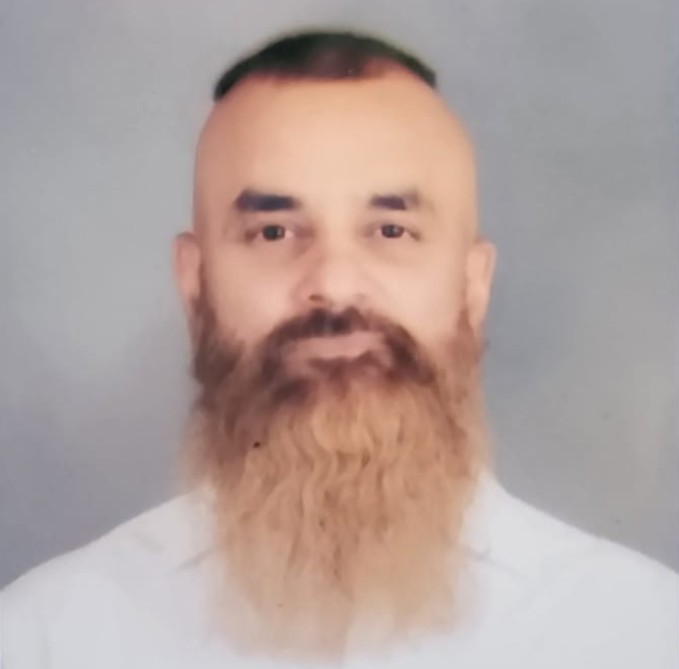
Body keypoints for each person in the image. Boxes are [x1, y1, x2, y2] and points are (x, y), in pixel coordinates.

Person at [1, 29, 676, 669]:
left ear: (472, 287)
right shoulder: (47, 638)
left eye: (390, 230)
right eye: (273, 232)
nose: (334, 283)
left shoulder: (638, 633)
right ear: (195, 283)